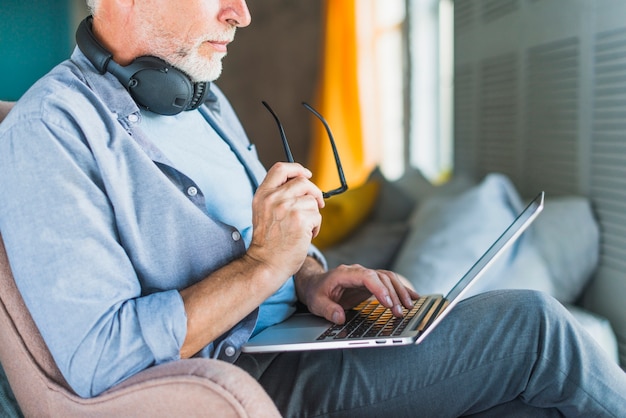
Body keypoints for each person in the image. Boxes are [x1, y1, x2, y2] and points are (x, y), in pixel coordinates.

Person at [0, 0, 624, 416]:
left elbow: (273, 248)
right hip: (250, 378)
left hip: (306, 338)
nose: (241, 13)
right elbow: (98, 358)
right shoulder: (48, 130)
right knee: (536, 330)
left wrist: (312, 277)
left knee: (527, 402)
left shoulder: (202, 98)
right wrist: (264, 269)